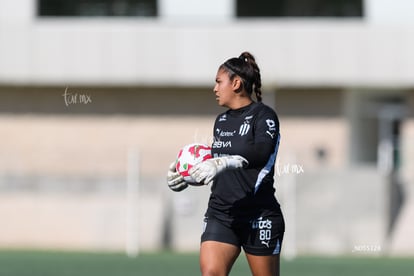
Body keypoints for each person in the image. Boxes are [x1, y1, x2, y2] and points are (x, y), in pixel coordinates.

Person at [167, 51, 285, 276]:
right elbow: (218, 161)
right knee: (211, 273)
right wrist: (186, 173)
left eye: (219, 82)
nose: (215, 88)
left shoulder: (264, 116)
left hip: (258, 214)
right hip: (221, 212)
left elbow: (261, 152)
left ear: (236, 83)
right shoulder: (221, 121)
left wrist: (224, 161)